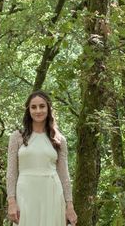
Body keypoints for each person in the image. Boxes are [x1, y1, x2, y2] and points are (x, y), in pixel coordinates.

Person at [6, 91, 77, 226]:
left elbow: (64, 174)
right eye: (33, 107)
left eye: (42, 106)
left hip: (52, 194)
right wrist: (11, 202)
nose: (38, 110)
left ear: (48, 108)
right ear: (28, 110)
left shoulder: (59, 140)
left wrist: (70, 206)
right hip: (25, 193)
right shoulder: (17, 137)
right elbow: (11, 173)